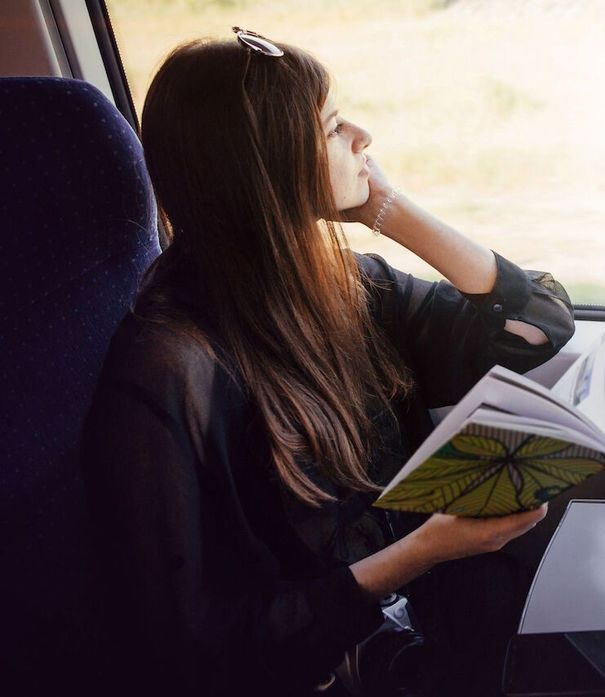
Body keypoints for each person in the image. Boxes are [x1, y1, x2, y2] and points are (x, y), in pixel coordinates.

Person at [80, 29, 575, 697]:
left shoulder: (346, 287)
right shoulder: (166, 372)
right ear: (270, 167)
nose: (363, 137)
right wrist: (422, 551)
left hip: (417, 635)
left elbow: (536, 327)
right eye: (335, 127)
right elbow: (200, 650)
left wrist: (392, 213)